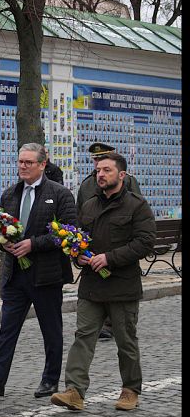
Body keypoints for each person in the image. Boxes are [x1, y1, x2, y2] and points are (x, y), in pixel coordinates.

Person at [51, 152, 155, 412]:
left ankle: (130, 390)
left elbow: (145, 243)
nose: (100, 174)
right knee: (83, 336)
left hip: (122, 286)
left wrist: (109, 258)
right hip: (91, 285)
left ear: (121, 175)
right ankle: (74, 391)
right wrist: (79, 257)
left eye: (107, 170)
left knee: (125, 340)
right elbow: (79, 241)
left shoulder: (137, 206)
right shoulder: (88, 206)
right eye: (98, 170)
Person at [0, 143, 77, 399]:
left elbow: (68, 232)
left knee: (51, 330)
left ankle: (50, 380)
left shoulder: (60, 194)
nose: (23, 166)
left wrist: (33, 244)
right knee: (7, 328)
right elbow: (1, 228)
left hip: (46, 275)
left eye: (28, 162)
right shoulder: (10, 194)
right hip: (15, 274)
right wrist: (3, 242)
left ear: (42, 164)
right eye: (20, 162)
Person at [76, 143, 142, 340]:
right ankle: (103, 322)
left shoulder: (129, 181)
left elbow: (137, 209)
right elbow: (81, 212)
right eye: (96, 161)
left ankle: (113, 322)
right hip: (93, 251)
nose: (98, 165)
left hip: (119, 246)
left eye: (103, 160)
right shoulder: (88, 184)